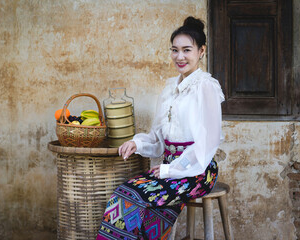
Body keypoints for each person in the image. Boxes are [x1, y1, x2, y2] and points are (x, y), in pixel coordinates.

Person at [96, 16, 224, 240]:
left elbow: (208, 143)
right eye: (174, 50)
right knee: (123, 195)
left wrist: (171, 170)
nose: (180, 57)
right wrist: (137, 143)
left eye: (187, 50)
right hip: (169, 169)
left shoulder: (206, 87)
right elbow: (158, 137)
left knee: (131, 197)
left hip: (197, 170)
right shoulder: (169, 89)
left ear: (201, 51)